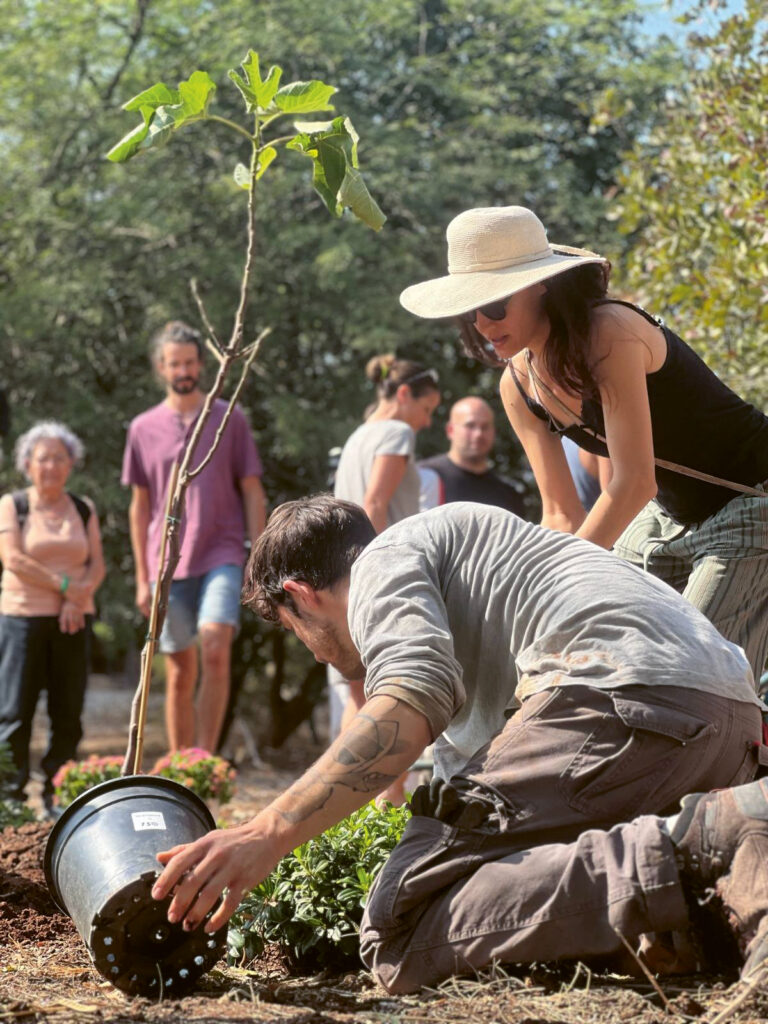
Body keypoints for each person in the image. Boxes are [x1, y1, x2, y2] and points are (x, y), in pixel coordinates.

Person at [150, 496, 768, 993]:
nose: (317, 654)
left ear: (300, 596)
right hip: (729, 724)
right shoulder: (466, 568)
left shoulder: (379, 565)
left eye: (296, 633)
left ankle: (699, 844)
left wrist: (266, 834)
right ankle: (715, 887)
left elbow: (412, 695)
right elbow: (464, 794)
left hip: (622, 699)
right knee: (460, 868)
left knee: (399, 923)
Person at [399, 205, 768, 678]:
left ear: (540, 286)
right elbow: (559, 512)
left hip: (750, 497)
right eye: (470, 313)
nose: (484, 326)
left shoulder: (608, 332)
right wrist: (533, 596)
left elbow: (634, 482)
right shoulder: (517, 385)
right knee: (610, 656)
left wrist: (560, 583)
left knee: (697, 675)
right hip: (668, 519)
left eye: (493, 305)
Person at [121, 320, 266, 754]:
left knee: (217, 643)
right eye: (173, 363)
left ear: (202, 364)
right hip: (167, 562)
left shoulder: (229, 418)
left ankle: (207, 759)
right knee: (181, 668)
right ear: (160, 369)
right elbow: (139, 506)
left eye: (189, 362)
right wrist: (143, 577)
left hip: (222, 550)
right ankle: (184, 769)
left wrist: (259, 557)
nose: (182, 370)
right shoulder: (142, 428)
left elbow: (252, 489)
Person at [329, 353, 440, 741]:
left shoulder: (356, 436)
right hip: (373, 575)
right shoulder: (397, 433)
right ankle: (391, 800)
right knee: (390, 699)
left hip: (340, 576)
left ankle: (365, 802)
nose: (426, 422)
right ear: (404, 394)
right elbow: (374, 504)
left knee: (360, 702)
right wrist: (378, 578)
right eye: (426, 409)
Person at [0, 421, 105, 812]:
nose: (52, 466)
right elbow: (13, 558)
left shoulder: (83, 508)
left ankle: (58, 795)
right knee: (14, 711)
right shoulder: (13, 505)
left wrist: (77, 600)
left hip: (73, 620)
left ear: (70, 465)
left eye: (60, 458)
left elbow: (96, 566)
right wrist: (65, 588)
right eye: (44, 458)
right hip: (22, 618)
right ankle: (10, 798)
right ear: (28, 463)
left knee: (68, 710)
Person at [418, 396, 524, 514]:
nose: (478, 434)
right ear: (450, 430)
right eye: (470, 425)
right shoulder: (423, 477)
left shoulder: (508, 494)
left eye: (485, 427)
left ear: (494, 432)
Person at [561, 435, 609, 512]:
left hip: (580, 518)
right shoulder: (601, 434)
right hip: (606, 519)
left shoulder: (561, 442)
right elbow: (617, 502)